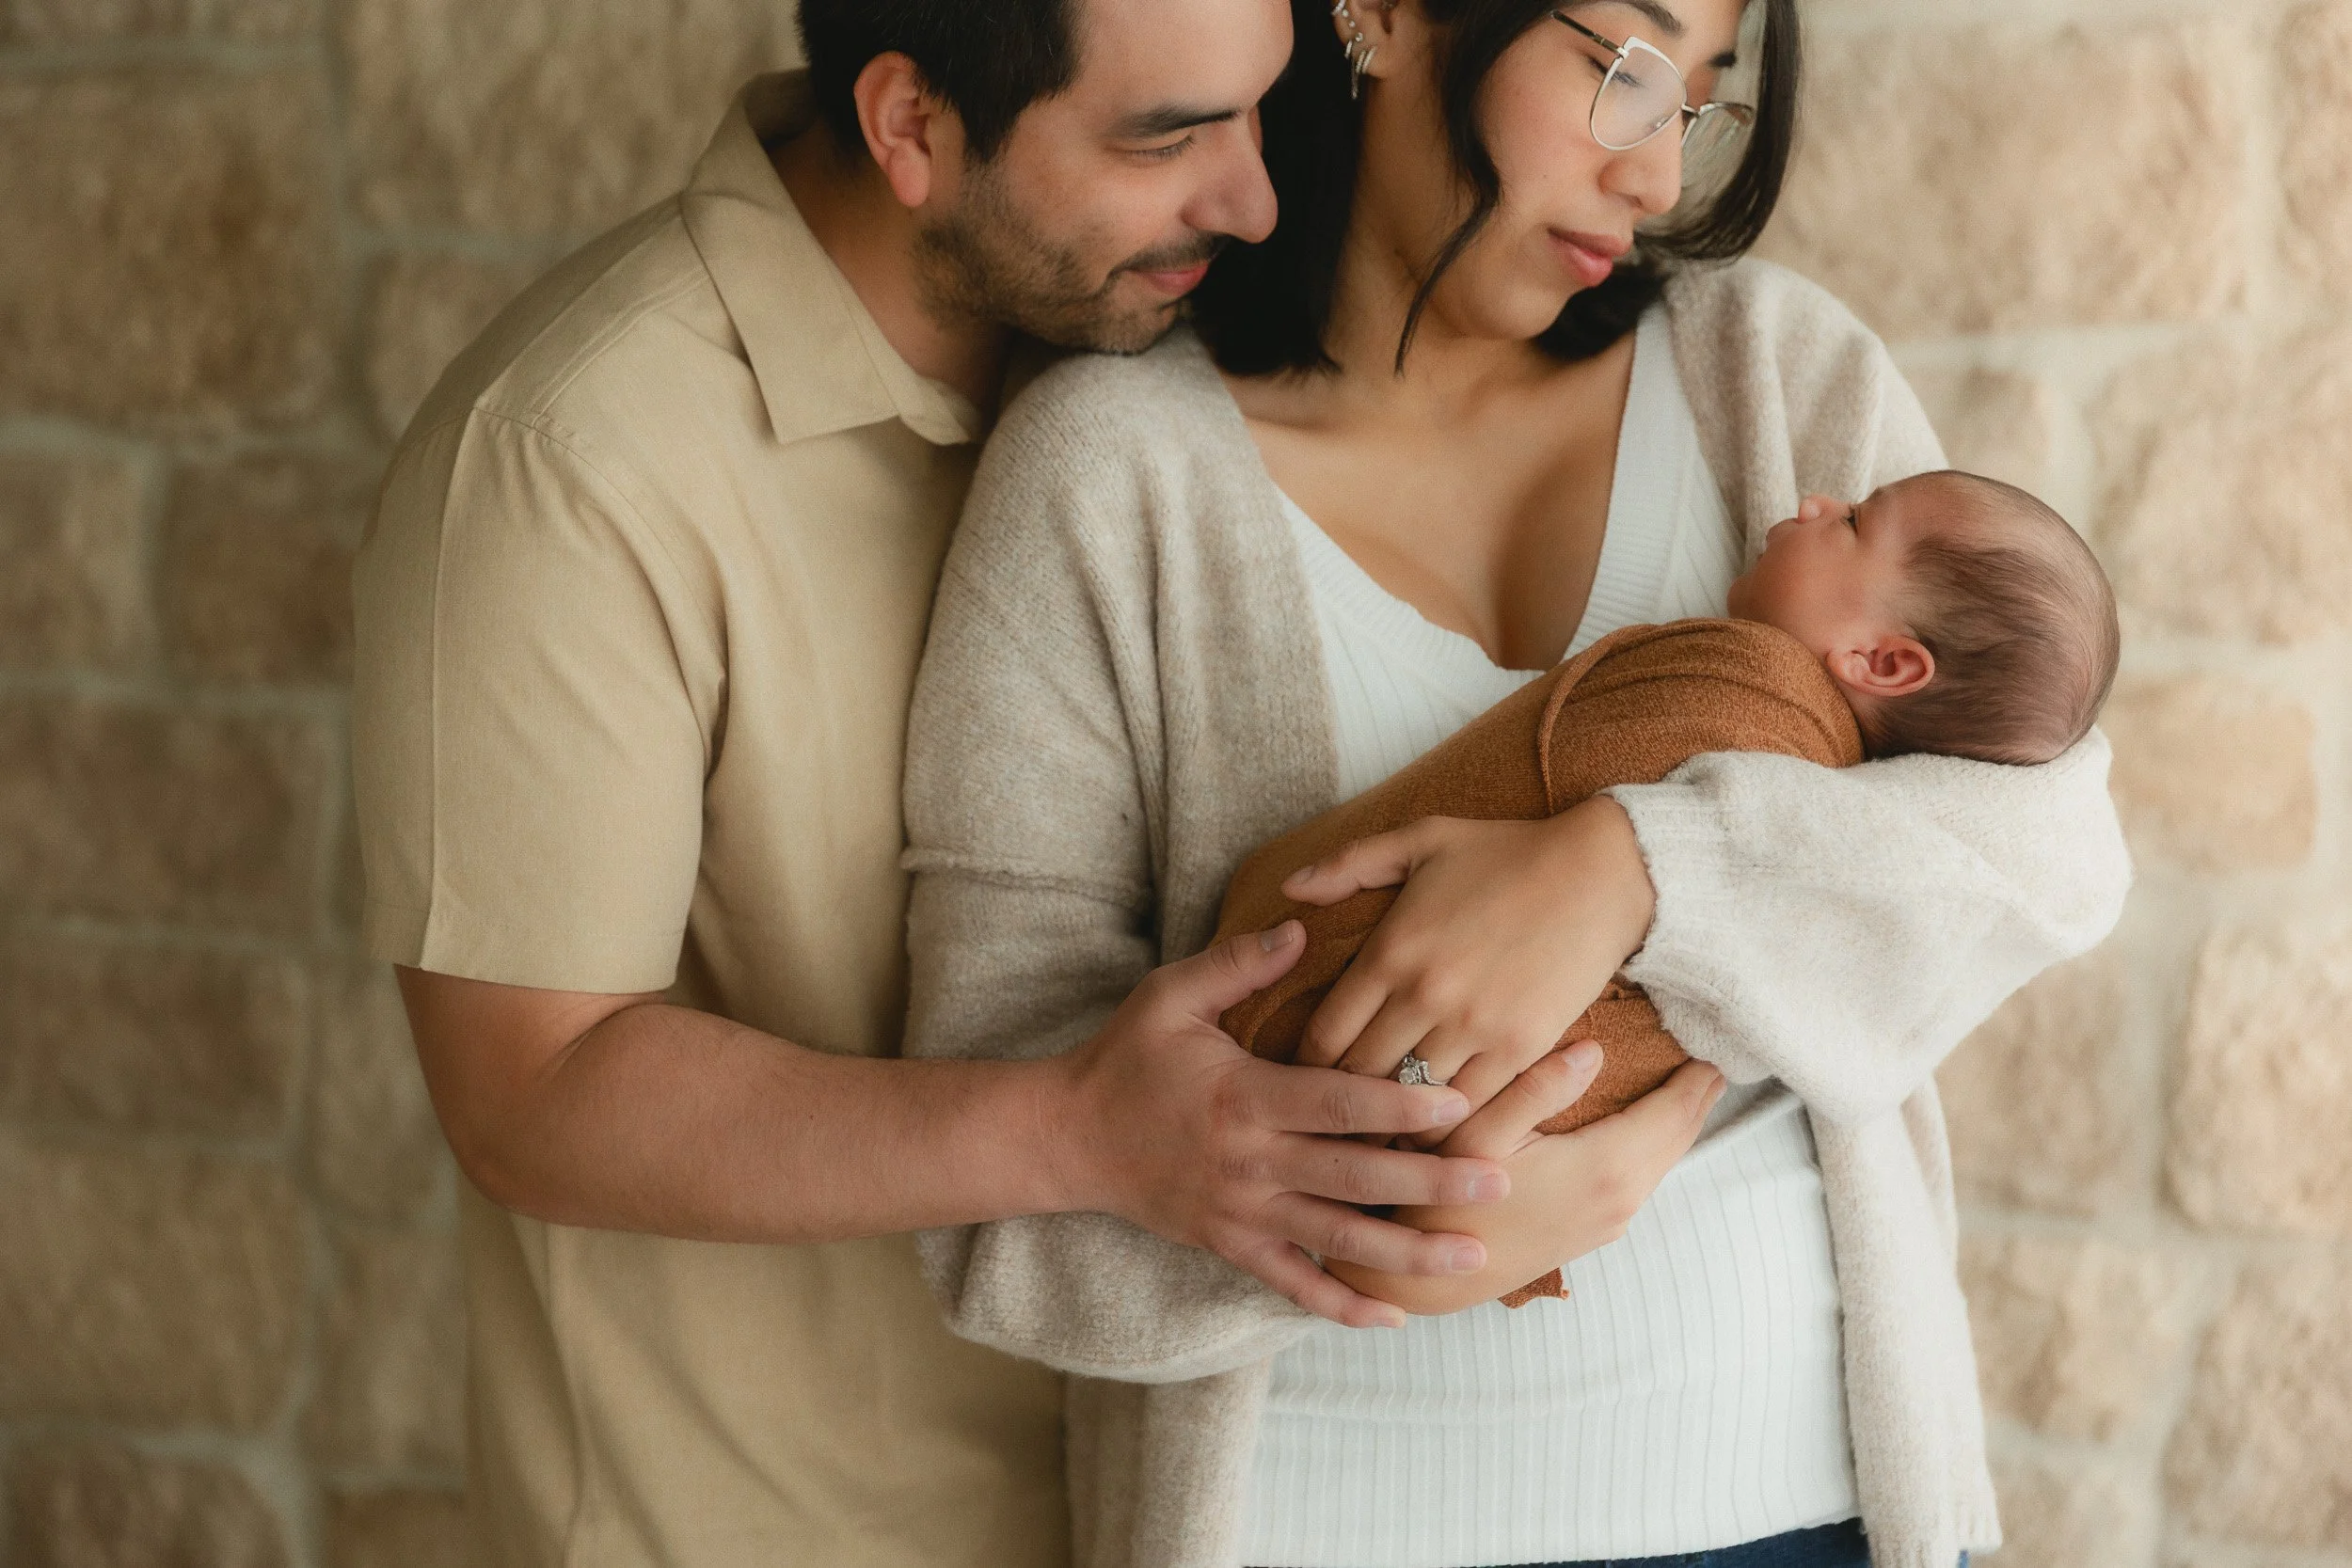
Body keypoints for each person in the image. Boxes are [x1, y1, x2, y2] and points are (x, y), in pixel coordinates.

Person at [350, 0, 1699, 1560]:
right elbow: (529, 1091)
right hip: (764, 1525)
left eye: (1260, 112)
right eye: (1167, 135)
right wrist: (1077, 1127)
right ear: (911, 127)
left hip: (1146, 1506)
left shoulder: (1146, 361)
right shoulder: (572, 461)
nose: (1259, 201)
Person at [899, 1, 2131, 1565]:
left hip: (1807, 1504)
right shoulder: (1105, 475)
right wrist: (1400, 1228)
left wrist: (1627, 870)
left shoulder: (1776, 376)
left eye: (1696, 102)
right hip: (1315, 1525)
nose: (1659, 176)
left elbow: (2051, 845)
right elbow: (994, 1198)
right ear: (1387, 15)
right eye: (1623, 69)